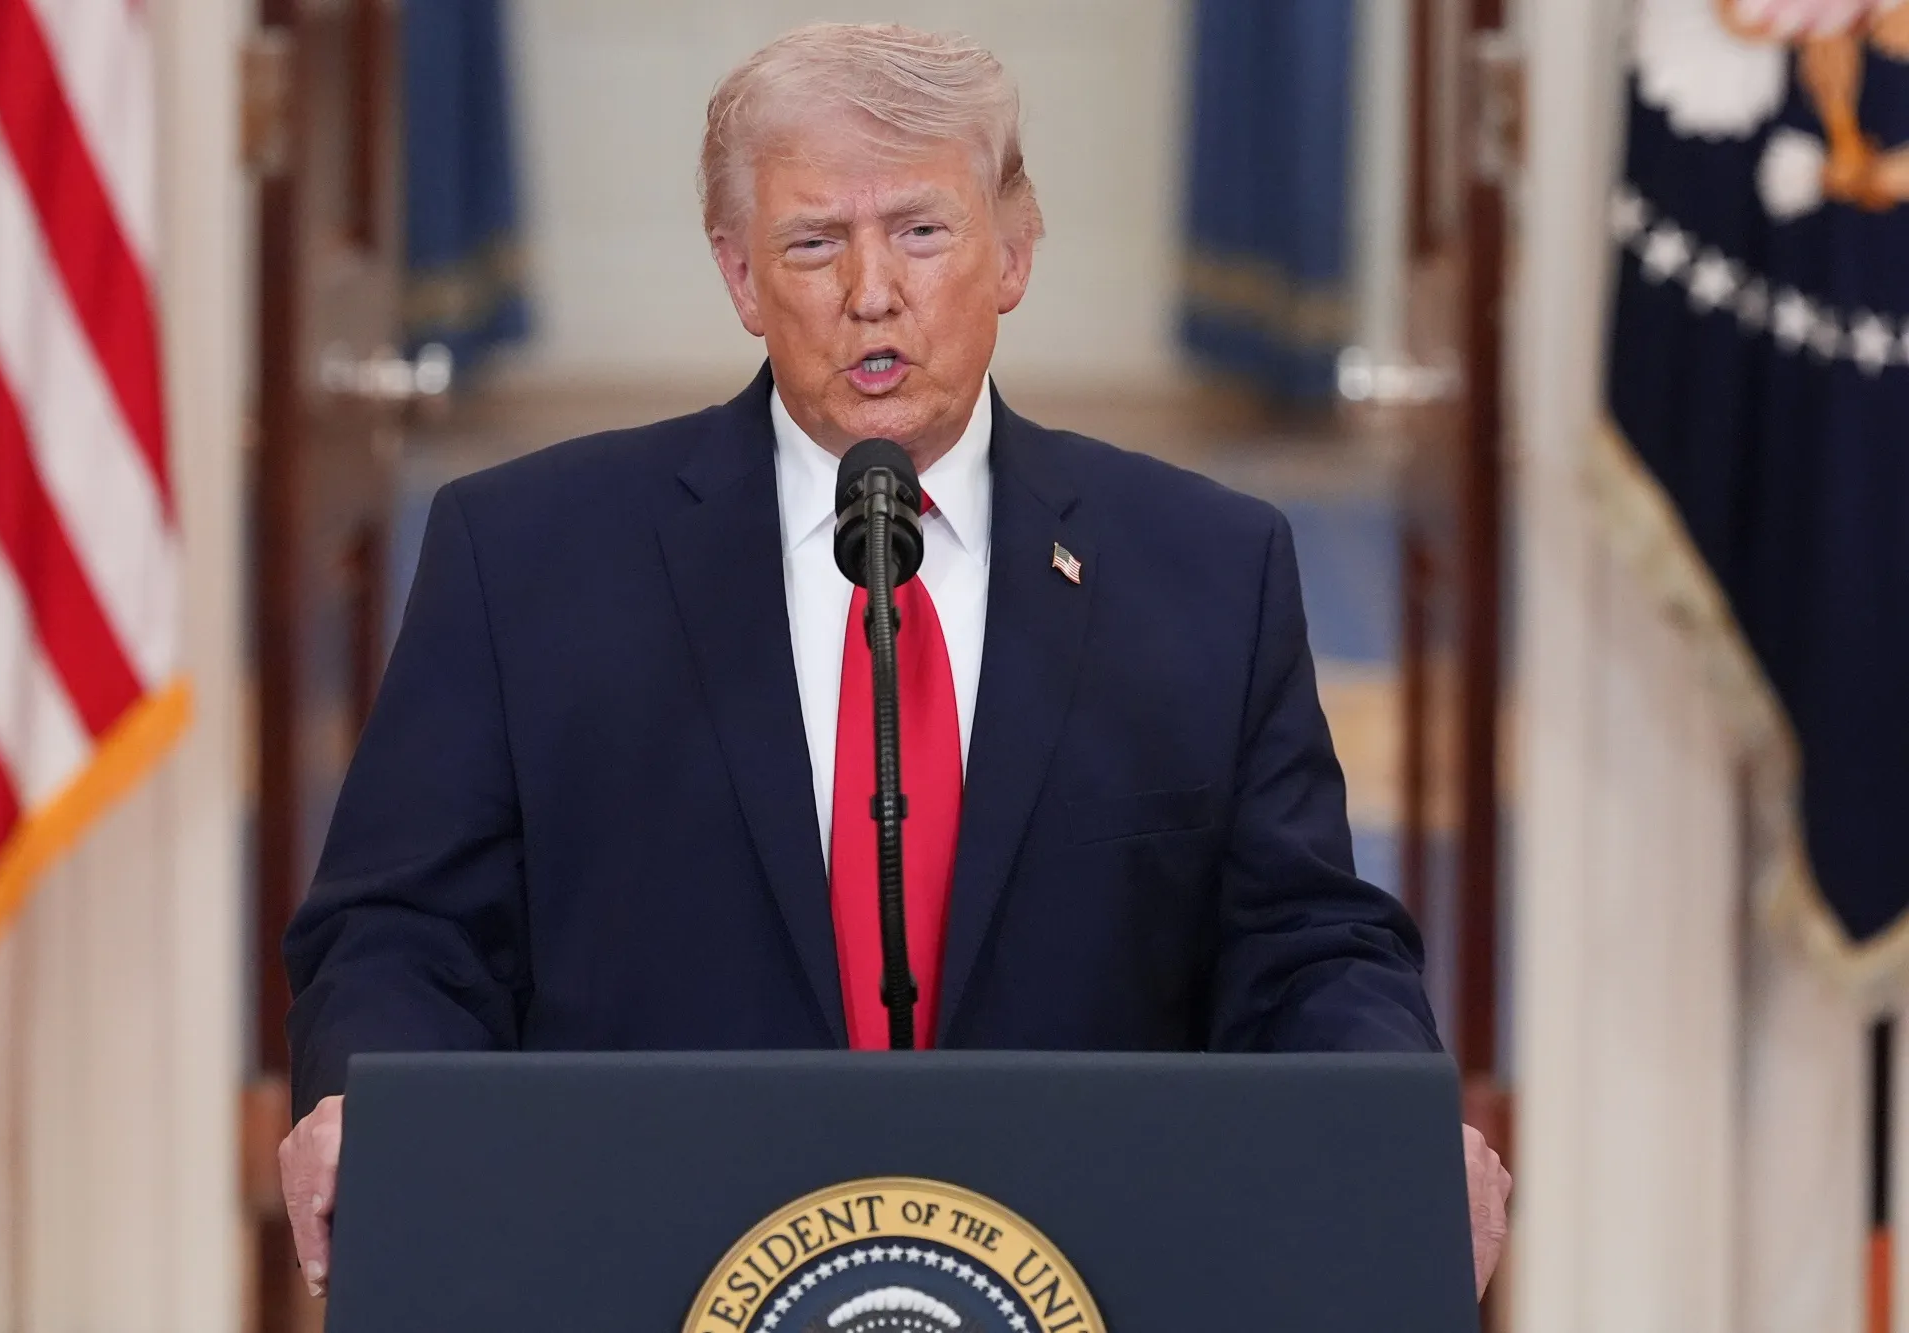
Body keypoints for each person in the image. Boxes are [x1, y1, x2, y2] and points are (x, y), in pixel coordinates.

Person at [277, 21, 1512, 1301]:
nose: (872, 290)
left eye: (921, 232)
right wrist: (372, 1098)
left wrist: (1389, 1113)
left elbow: (1302, 943)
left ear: (1013, 251)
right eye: (815, 241)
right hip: (642, 1266)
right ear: (742, 278)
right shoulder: (525, 556)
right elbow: (400, 930)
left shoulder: (1205, 567)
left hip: (1082, 1272)